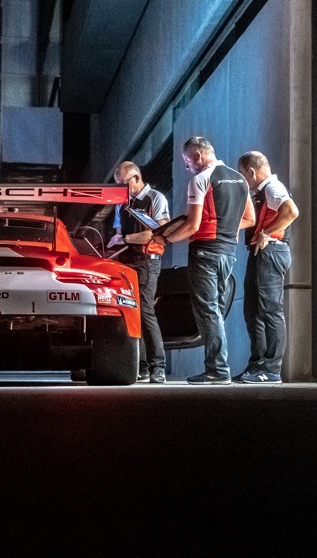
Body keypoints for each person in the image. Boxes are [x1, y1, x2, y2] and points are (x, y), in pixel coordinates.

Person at [151, 136, 255, 384]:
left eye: (187, 161)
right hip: (228, 253)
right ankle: (218, 368)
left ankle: (218, 370)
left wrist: (164, 240)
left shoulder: (200, 180)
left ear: (198, 155)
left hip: (205, 252)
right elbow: (250, 219)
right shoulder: (240, 179)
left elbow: (192, 225)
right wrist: (225, 229)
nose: (187, 167)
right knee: (216, 310)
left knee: (208, 311)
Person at [236, 151, 299, 384]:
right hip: (260, 252)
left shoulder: (273, 187)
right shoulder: (262, 192)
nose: (244, 180)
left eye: (243, 175)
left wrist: (266, 232)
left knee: (271, 311)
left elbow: (291, 212)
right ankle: (257, 365)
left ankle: (272, 370)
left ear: (251, 172)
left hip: (272, 251)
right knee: (252, 311)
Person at [105, 162, 169, 383]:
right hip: (126, 262)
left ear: (136, 178)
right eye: (117, 185)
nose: (120, 188)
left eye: (123, 184)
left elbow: (159, 232)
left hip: (147, 262)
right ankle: (141, 366)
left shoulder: (155, 198)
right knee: (130, 312)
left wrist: (125, 239)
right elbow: (118, 233)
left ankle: (158, 366)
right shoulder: (121, 204)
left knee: (145, 311)